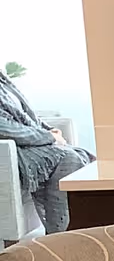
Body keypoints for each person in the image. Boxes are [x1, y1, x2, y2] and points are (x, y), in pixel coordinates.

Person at [0, 65, 93, 235]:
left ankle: (86, 226)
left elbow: (27, 116)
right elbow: (5, 129)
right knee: (68, 158)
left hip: (28, 144)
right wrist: (49, 138)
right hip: (15, 151)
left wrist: (49, 131)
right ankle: (59, 233)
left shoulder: (3, 80)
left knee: (85, 156)